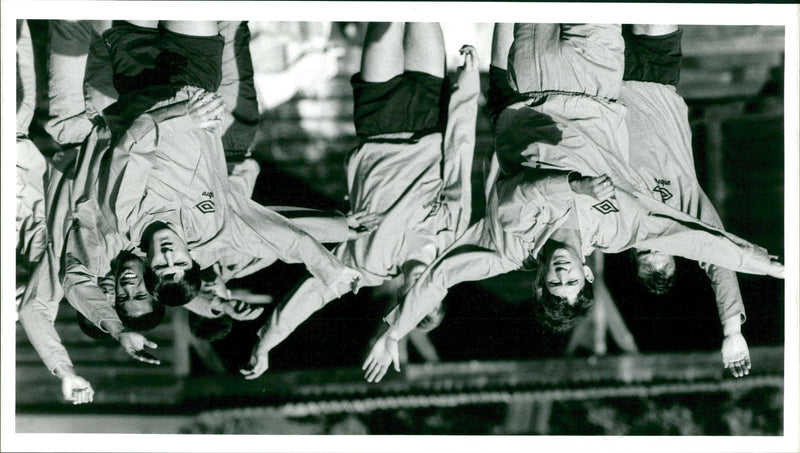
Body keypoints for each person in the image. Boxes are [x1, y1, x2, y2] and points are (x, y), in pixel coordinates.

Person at [362, 23, 784, 383]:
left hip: (532, 79)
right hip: (596, 76)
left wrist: (394, 331)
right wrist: (761, 264)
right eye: (572, 283)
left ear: (540, 280)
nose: (562, 276)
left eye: (553, 284)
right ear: (585, 274)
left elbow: (500, 213)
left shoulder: (512, 244)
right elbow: (696, 241)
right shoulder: (619, 232)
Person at [241, 22, 479, 380]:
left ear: (399, 297)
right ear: (438, 291)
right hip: (429, 114)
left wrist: (266, 342)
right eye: (427, 298)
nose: (417, 291)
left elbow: (312, 295)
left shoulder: (365, 266)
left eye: (410, 302)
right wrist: (467, 89)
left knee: (385, 25)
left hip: (378, 120)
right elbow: (461, 154)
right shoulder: (452, 236)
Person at [98, 20, 364, 309]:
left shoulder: (124, 218)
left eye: (163, 264)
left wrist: (185, 117)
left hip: (138, 73)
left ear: (148, 265)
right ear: (191, 257)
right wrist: (329, 268)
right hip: (192, 75)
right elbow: (281, 238)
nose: (168, 252)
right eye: (179, 261)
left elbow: (132, 143)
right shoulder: (212, 230)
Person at [619, 24, 757, 377]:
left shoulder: (617, 218)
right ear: (679, 248)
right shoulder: (686, 208)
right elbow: (719, 259)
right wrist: (732, 331)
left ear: (632, 250)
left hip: (602, 75)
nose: (651, 243)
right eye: (660, 251)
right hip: (656, 73)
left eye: (643, 252)